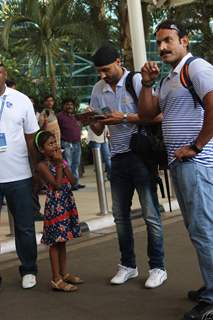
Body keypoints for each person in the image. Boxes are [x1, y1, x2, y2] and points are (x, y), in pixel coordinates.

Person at [139, 20, 213, 320]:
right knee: (200, 230)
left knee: (203, 230)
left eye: (168, 40)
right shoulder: (169, 77)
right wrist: (145, 83)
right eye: (159, 42)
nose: (162, 47)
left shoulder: (195, 68)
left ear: (185, 40)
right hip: (181, 164)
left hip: (196, 163)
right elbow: (147, 113)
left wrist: (196, 146)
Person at [88, 45, 167, 288]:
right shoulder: (98, 89)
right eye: (99, 71)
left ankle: (157, 267)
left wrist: (122, 117)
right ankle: (128, 266)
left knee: (151, 214)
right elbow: (99, 129)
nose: (103, 75)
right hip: (117, 158)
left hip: (140, 156)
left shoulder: (135, 81)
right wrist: (92, 120)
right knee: (120, 217)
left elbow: (156, 116)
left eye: (106, 69)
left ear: (118, 61)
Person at [0, 63, 38, 289]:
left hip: (19, 175)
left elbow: (31, 138)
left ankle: (29, 269)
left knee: (24, 226)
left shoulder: (22, 100)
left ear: (5, 74)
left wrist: (36, 171)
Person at [34, 130, 83, 292]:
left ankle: (64, 273)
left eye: (55, 142)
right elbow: (56, 185)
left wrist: (62, 163)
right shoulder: (42, 166)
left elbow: (73, 180)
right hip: (55, 206)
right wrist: (58, 164)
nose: (54, 146)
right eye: (50, 144)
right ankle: (56, 278)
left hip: (66, 202)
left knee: (63, 240)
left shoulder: (60, 160)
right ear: (42, 150)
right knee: (55, 242)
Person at [57, 98, 85, 190]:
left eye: (71, 105)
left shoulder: (74, 116)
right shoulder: (59, 116)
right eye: (67, 104)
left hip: (76, 143)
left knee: (76, 164)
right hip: (66, 143)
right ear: (63, 106)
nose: (69, 106)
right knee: (68, 164)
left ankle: (75, 183)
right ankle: (69, 184)